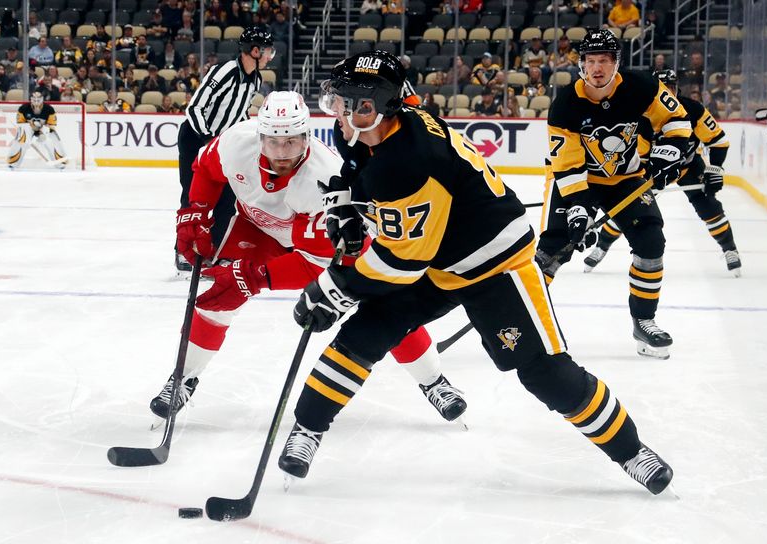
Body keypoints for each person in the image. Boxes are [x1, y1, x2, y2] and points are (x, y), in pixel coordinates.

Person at [284, 50, 674, 497]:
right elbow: (356, 167)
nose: (337, 112)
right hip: (439, 257)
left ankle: (631, 451)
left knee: (544, 372)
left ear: (376, 106)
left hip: (494, 263)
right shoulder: (371, 128)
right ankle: (308, 428)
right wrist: (345, 202)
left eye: (347, 102)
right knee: (365, 332)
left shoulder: (407, 162)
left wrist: (332, 287)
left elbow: (400, 261)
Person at [151, 91, 467, 429]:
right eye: (274, 142)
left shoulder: (324, 180)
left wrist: (252, 277)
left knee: (384, 309)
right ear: (260, 137)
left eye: (292, 142)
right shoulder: (236, 143)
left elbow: (314, 263)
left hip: (331, 247)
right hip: (257, 227)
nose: (282, 153)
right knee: (216, 301)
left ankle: (434, 381)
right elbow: (205, 170)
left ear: (306, 136)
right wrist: (195, 212)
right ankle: (183, 377)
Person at [536, 29, 691, 360]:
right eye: (590, 61)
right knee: (551, 253)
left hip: (626, 179)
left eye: (604, 61)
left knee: (651, 242)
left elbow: (676, 119)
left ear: (616, 63)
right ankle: (524, 321)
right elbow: (566, 163)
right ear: (581, 65)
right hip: (579, 181)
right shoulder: (565, 103)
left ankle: (644, 321)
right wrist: (578, 209)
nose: (596, 68)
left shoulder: (642, 86)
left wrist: (673, 149)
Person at [584, 69, 740, 276]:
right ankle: (601, 246)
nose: (668, 93)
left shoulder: (693, 109)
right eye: (663, 88)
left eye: (671, 88)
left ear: (677, 89)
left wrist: (714, 169)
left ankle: (730, 249)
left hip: (688, 167)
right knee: (629, 208)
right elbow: (639, 157)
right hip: (654, 170)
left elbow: (718, 141)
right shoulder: (641, 116)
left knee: (709, 206)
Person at [176, 27, 274, 274]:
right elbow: (195, 108)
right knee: (193, 197)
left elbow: (239, 114)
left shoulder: (256, 79)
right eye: (267, 51)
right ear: (255, 50)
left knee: (229, 198)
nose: (270, 55)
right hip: (196, 138)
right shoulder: (225, 71)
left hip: (220, 146)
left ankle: (216, 251)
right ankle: (183, 250)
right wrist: (208, 140)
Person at [7, 91, 67, 169]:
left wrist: (41, 132)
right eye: (34, 99)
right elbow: (21, 124)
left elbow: (51, 126)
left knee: (51, 140)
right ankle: (13, 162)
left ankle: (60, 163)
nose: (36, 101)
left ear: (42, 99)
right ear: (31, 99)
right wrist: (31, 128)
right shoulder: (23, 108)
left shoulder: (49, 109)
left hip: (43, 128)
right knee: (22, 138)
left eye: (38, 99)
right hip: (28, 128)